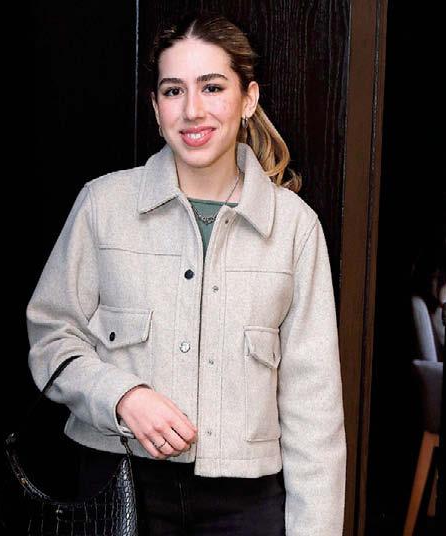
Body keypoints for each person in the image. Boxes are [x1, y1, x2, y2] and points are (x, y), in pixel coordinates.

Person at [26, 11, 347, 536]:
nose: (192, 110)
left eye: (212, 87)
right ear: (156, 108)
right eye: (174, 91)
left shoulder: (295, 227)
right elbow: (50, 339)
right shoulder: (103, 205)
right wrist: (122, 396)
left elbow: (315, 409)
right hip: (119, 487)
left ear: (248, 99)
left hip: (247, 506)